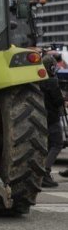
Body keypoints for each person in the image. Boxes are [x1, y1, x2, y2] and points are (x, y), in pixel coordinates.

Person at [40, 54, 66, 187]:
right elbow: (58, 101)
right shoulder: (52, 82)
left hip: (43, 118)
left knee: (48, 146)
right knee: (57, 144)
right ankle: (45, 172)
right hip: (53, 118)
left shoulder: (39, 81)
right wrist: (63, 97)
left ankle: (42, 173)